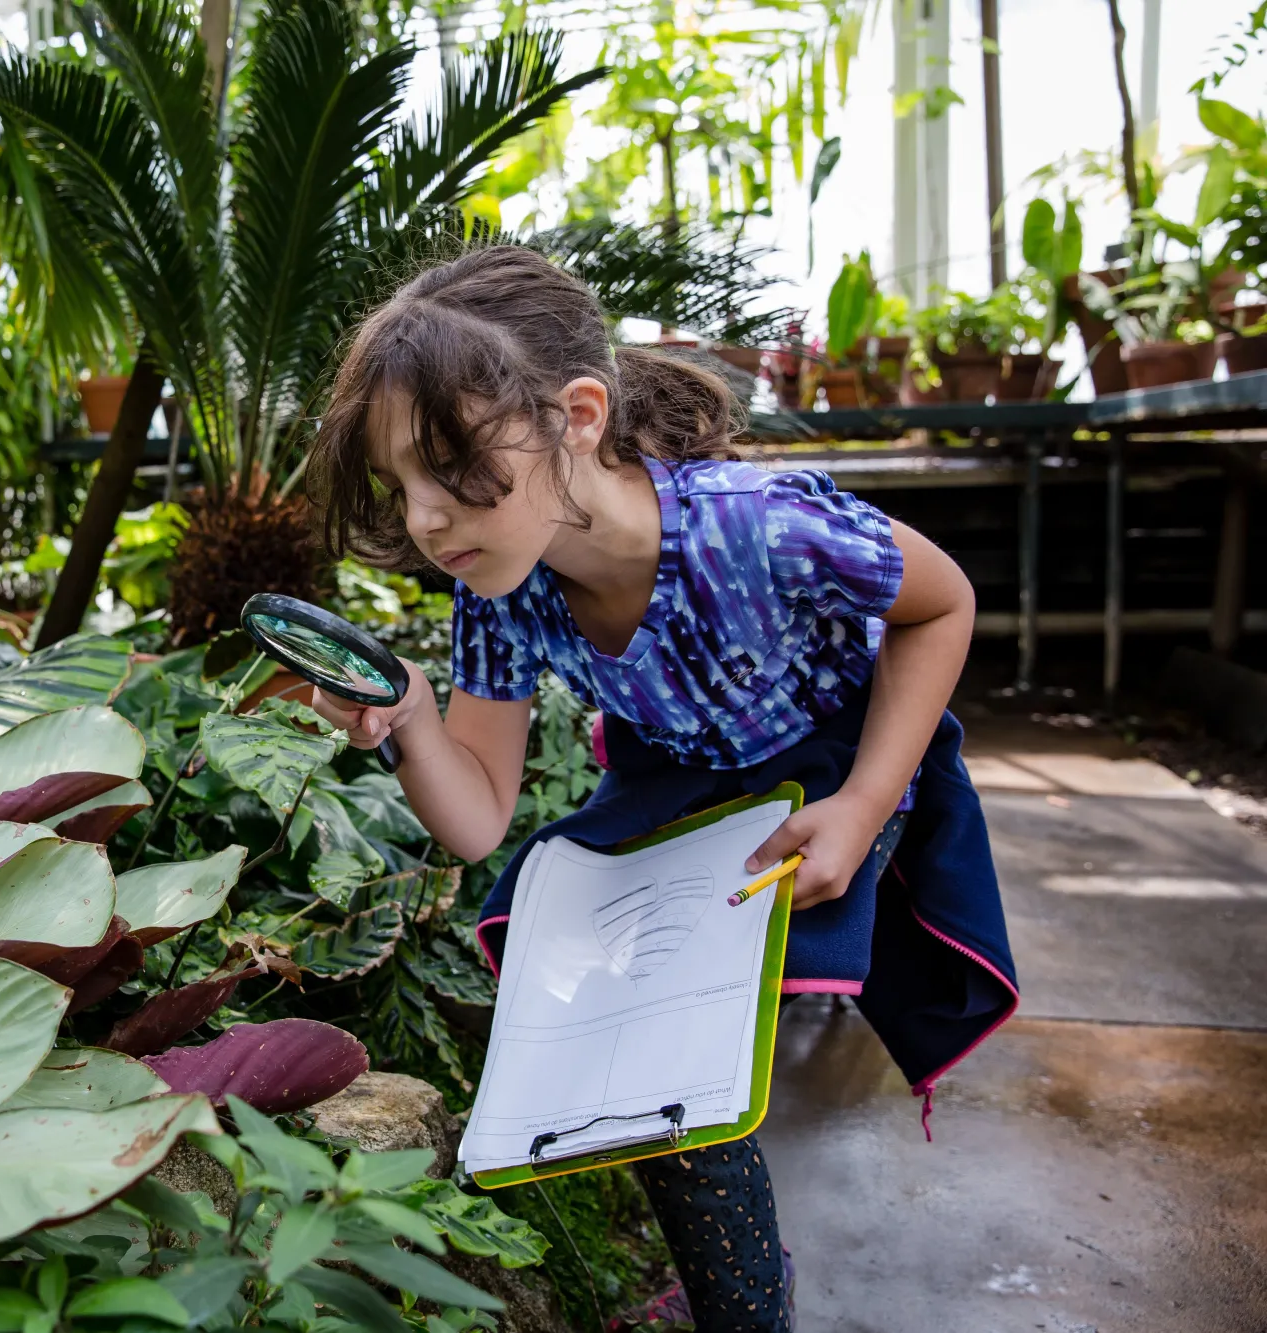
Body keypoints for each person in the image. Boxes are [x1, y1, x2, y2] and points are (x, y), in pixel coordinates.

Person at [305, 246, 1018, 1332]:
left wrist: (867, 803)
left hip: (829, 757)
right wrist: (406, 719)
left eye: (449, 470)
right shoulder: (501, 592)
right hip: (672, 785)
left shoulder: (759, 524)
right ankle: (739, 1284)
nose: (425, 521)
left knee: (681, 1053)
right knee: (640, 1064)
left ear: (577, 415)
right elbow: (476, 818)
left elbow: (942, 601)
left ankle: (744, 1302)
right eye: (399, 486)